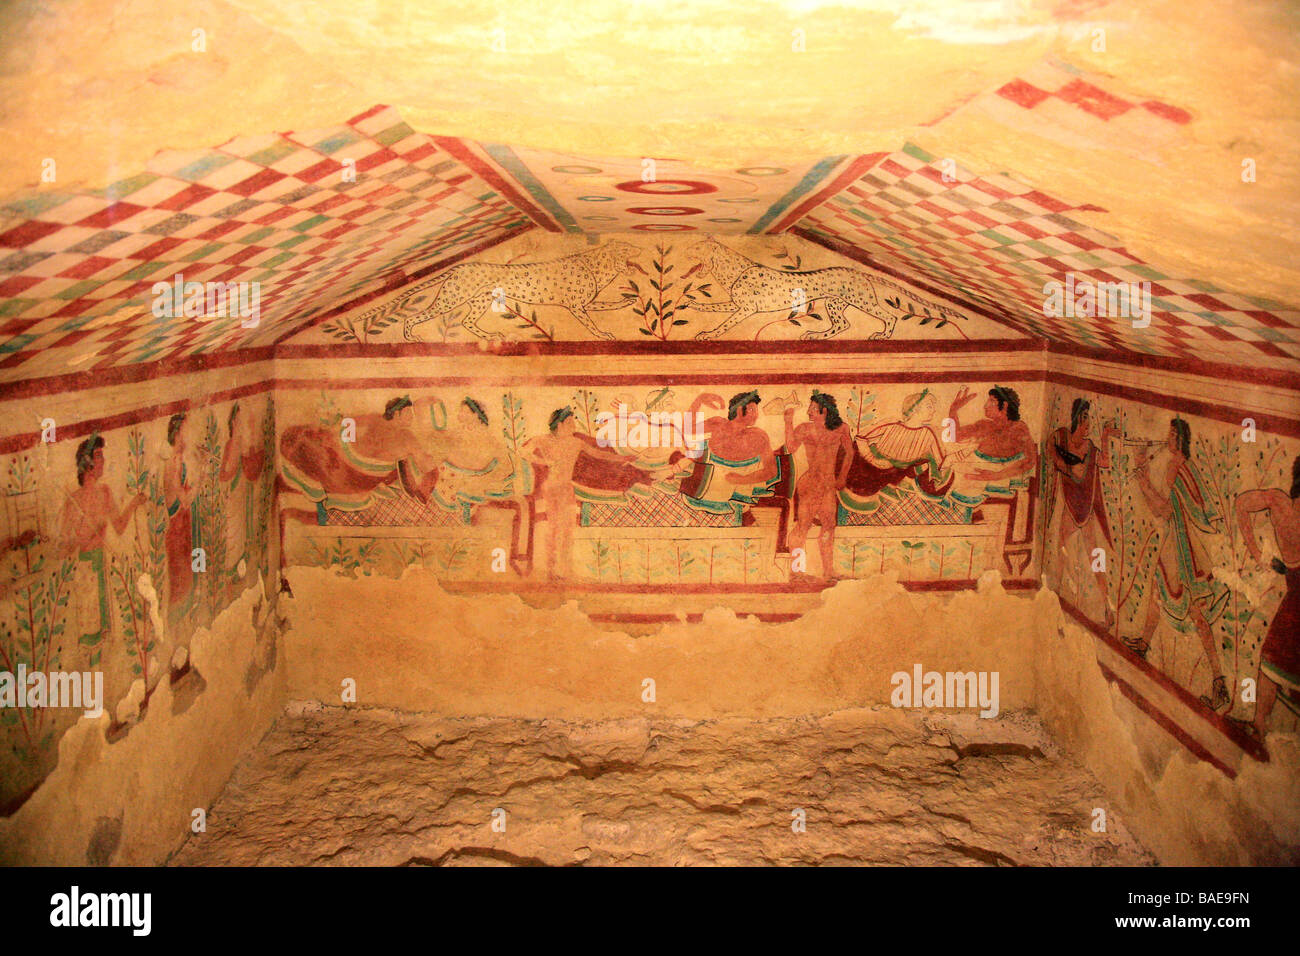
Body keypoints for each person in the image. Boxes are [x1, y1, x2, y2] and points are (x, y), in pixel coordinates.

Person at [1129, 418, 1231, 711]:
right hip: (1178, 544)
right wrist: (1144, 477)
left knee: (1197, 613)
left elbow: (1163, 507)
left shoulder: (1180, 467)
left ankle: (1219, 681)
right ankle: (1144, 646)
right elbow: (1163, 510)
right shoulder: (1179, 466)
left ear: (1182, 439)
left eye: (1174, 434)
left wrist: (1142, 478)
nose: (1169, 438)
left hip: (1187, 551)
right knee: (1158, 592)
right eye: (1169, 433)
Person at [524, 407, 656, 579]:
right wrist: (542, 461)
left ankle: (564, 570)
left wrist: (623, 458)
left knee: (567, 530)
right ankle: (550, 570)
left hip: (566, 488)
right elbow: (523, 451)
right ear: (560, 423)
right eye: (570, 421)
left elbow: (598, 454)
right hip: (551, 488)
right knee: (553, 529)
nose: (573, 425)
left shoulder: (575, 442)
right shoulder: (543, 440)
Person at [1234, 455, 1300, 749]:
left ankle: (1260, 727)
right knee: (1272, 659)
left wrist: (1256, 551)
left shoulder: (1278, 502)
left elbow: (1241, 504)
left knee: (1271, 661)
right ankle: (1259, 727)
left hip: (1295, 592)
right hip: (1295, 594)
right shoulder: (1278, 503)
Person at [59, 435, 146, 643]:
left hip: (102, 565)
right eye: (98, 456)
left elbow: (119, 526)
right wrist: (82, 539)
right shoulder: (74, 501)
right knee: (90, 633)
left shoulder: (105, 492)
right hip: (85, 569)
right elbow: (62, 549)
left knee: (105, 632)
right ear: (87, 463)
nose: (103, 460)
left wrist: (134, 503)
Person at [1050, 398, 1119, 626]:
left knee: (1095, 556)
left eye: (1089, 418)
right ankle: (1054, 596)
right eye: (1085, 418)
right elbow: (1054, 455)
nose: (1088, 423)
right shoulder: (1061, 437)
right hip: (1070, 507)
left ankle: (1107, 607)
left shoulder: (1089, 446)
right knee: (1061, 549)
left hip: (1086, 508)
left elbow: (1105, 462)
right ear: (1078, 417)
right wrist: (1067, 465)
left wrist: (1107, 437)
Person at [678, 390, 781, 516]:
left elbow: (771, 471)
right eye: (752, 410)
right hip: (708, 486)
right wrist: (699, 401)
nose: (756, 415)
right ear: (739, 410)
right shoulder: (718, 424)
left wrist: (742, 479)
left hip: (737, 491)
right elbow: (687, 430)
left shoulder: (758, 436)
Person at [785, 391, 853, 578]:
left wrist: (842, 477)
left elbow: (849, 453)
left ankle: (828, 572)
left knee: (829, 527)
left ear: (825, 410)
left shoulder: (841, 428)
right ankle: (796, 572)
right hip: (810, 484)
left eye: (813, 408)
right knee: (803, 526)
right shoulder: (805, 429)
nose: (808, 411)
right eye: (809, 407)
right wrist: (788, 422)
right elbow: (790, 447)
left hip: (828, 485)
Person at [946, 385, 1037, 514]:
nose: (985, 406)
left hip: (994, 473)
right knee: (943, 474)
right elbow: (955, 436)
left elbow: (1030, 460)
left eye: (991, 402)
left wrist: (996, 475)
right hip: (973, 465)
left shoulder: (1018, 428)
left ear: (1004, 406)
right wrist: (953, 411)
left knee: (956, 485)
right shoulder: (984, 425)